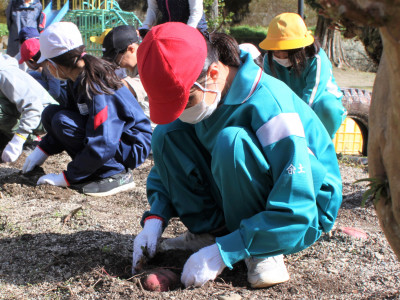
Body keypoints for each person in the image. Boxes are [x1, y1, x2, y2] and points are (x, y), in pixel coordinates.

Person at [131, 22, 343, 288]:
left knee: (231, 142)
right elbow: (168, 167)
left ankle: (262, 250)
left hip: (304, 206)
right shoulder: (209, 96)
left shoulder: (269, 105)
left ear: (214, 72)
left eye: (186, 101)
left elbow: (298, 205)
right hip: (241, 194)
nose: (183, 111)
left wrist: (227, 251)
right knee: (166, 133)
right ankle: (212, 233)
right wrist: (155, 218)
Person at [21, 22, 152, 197]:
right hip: (112, 137)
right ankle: (95, 168)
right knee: (51, 114)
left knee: (61, 120)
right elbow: (71, 117)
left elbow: (105, 140)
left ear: (53, 64)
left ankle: (114, 173)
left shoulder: (96, 83)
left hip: (129, 142)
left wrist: (68, 177)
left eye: (46, 64)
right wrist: (43, 149)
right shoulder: (75, 77)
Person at [259, 13, 346, 139]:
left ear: (300, 49)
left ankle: (323, 144)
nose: (281, 57)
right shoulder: (269, 60)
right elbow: (271, 92)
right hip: (290, 104)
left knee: (328, 107)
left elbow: (310, 98)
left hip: (316, 104)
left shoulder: (316, 59)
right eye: (277, 51)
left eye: (286, 52)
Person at [0, 54, 57, 162]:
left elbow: (33, 107)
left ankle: (31, 142)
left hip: (44, 116)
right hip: (22, 113)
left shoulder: (4, 74)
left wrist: (18, 140)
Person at [99, 25, 155, 130]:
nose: (115, 63)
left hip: (153, 131)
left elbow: (126, 87)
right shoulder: (131, 66)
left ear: (131, 49)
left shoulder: (151, 62)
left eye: (115, 58)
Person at [18, 38, 67, 104]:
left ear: (31, 60)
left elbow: (55, 92)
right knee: (31, 76)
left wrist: (40, 99)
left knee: (36, 83)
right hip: (60, 90)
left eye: (25, 62)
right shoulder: (46, 62)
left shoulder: (50, 67)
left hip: (65, 96)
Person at [139, 0, 207, 36]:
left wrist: (186, 33)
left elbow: (196, 12)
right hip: (170, 31)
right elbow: (153, 9)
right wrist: (145, 27)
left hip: (194, 29)